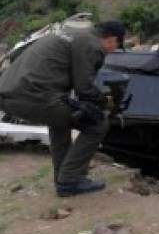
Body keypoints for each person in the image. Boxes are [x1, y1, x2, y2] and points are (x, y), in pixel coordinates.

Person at [0, 21, 125, 197]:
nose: (113, 50)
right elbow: (84, 88)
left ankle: (64, 178)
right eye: (116, 45)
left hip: (9, 93)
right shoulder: (92, 45)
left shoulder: (72, 33)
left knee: (60, 121)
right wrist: (106, 102)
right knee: (98, 125)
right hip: (31, 96)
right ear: (111, 40)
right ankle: (69, 181)